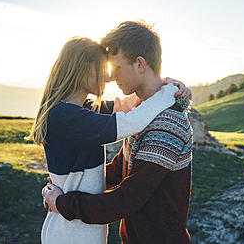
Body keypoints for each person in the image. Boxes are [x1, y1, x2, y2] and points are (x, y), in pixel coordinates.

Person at [28, 36, 191, 243]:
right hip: (70, 233)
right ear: (83, 69)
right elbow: (130, 122)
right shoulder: (68, 117)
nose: (109, 77)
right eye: (103, 68)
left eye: (114, 68)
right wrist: (167, 93)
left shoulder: (83, 110)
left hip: (80, 228)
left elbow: (128, 105)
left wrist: (166, 85)